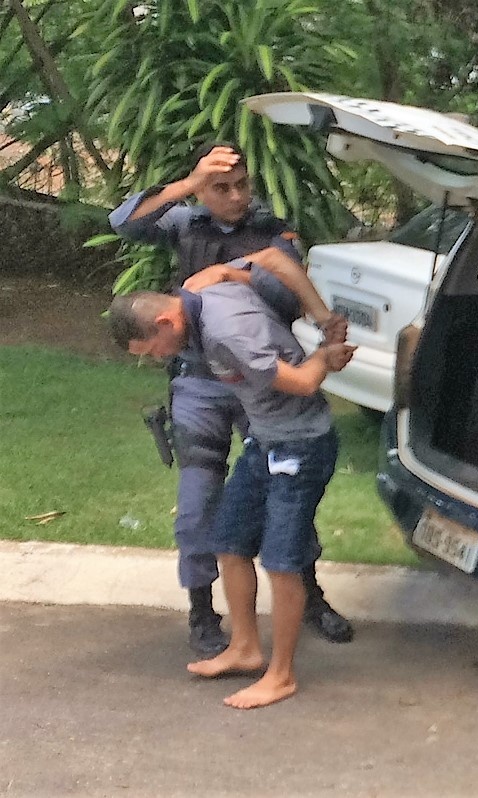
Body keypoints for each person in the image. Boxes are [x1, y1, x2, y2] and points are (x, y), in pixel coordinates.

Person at [109, 142, 354, 655]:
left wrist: (229, 274)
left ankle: (310, 595)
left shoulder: (274, 231)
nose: (236, 196)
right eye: (220, 187)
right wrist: (188, 184)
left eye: (242, 184)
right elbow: (124, 222)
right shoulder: (186, 221)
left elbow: (284, 292)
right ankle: (202, 611)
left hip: (261, 384)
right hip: (199, 383)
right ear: (203, 189)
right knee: (197, 505)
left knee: (287, 499)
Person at [107, 285, 356, 708]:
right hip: (264, 442)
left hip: (299, 446)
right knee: (229, 540)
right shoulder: (201, 297)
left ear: (166, 323)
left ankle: (281, 676)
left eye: (152, 349)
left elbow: (302, 384)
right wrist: (323, 318)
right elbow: (260, 262)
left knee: (281, 561)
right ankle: (245, 648)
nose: (158, 358)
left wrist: (322, 355)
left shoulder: (225, 334)